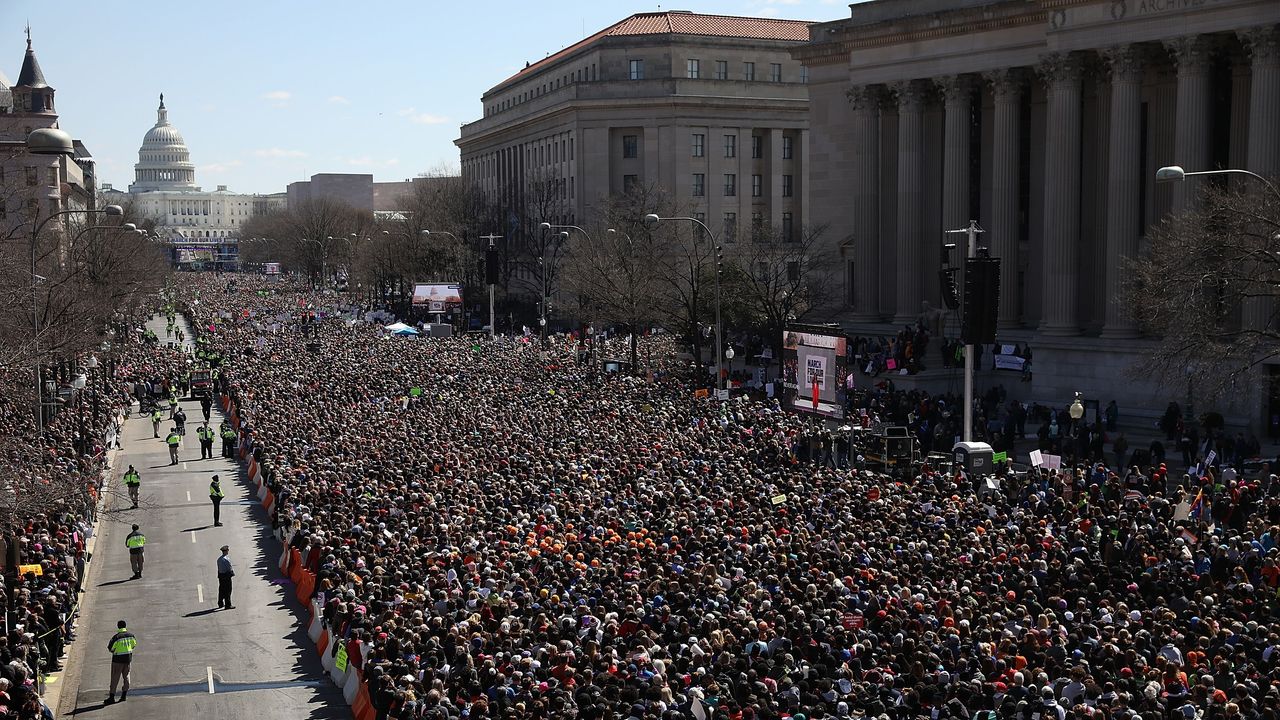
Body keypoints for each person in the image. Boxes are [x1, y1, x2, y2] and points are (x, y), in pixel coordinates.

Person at [105, 620, 136, 704]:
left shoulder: (116, 637)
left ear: (118, 626)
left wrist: (115, 651)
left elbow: (110, 648)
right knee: (126, 677)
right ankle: (124, 695)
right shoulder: (131, 636)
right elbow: (133, 645)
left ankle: (112, 697)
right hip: (127, 660)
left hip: (117, 661)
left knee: (115, 678)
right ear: (125, 626)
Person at [216, 545, 234, 609]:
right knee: (228, 590)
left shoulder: (219, 559)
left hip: (221, 576)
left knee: (221, 590)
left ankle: (220, 603)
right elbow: (229, 568)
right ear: (226, 551)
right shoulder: (226, 559)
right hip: (226, 576)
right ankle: (228, 604)